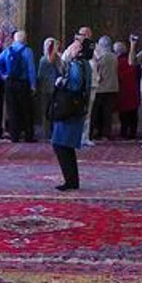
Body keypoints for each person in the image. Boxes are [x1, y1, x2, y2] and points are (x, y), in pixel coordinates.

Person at [48, 34, 90, 190]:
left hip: (70, 108)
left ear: (78, 50)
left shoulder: (77, 65)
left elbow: (75, 85)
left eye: (73, 46)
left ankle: (70, 181)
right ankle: (72, 180)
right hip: (76, 107)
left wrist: (61, 83)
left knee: (61, 144)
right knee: (66, 146)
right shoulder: (83, 64)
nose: (70, 48)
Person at [0, 29, 36, 142]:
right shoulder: (28, 51)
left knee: (12, 109)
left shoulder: (8, 50)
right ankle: (28, 135)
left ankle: (14, 135)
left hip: (10, 83)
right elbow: (31, 69)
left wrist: (3, 75)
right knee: (26, 109)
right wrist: (33, 85)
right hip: (23, 83)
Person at [89, 35, 119, 141]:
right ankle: (106, 133)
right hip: (113, 88)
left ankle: (94, 132)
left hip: (100, 88)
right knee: (107, 113)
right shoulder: (115, 56)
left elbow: (97, 72)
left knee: (96, 113)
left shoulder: (100, 57)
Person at [35, 37, 61, 141]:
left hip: (45, 88)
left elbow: (40, 75)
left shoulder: (43, 59)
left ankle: (46, 133)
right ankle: (55, 133)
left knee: (45, 111)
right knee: (54, 111)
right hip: (55, 88)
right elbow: (61, 71)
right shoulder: (57, 58)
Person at [116, 41, 141, 139]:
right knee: (133, 113)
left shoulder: (118, 62)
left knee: (124, 115)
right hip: (134, 89)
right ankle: (132, 133)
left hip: (122, 90)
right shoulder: (131, 60)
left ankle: (124, 133)